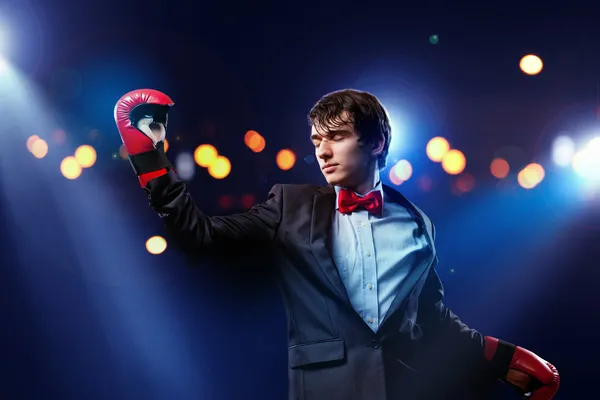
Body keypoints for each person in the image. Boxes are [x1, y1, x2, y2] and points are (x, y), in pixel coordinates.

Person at [114, 88, 560, 399]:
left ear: (377, 142)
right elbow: (201, 238)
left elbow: (433, 321)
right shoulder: (290, 205)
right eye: (316, 140)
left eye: (337, 137)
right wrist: (148, 157)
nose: (322, 151)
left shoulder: (417, 223)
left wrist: (503, 356)